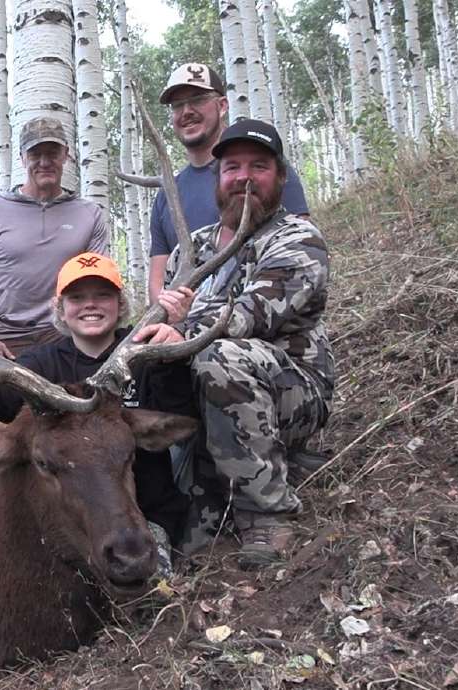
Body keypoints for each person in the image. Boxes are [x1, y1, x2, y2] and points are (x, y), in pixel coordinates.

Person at [136, 119, 334, 569]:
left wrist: (183, 330)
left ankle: (267, 513)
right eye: (232, 167)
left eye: (258, 166)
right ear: (218, 178)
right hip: (206, 396)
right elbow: (165, 318)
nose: (244, 177)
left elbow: (251, 314)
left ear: (280, 177)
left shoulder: (298, 239)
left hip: (290, 394)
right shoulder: (194, 249)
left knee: (220, 356)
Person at [0, 252, 192, 577]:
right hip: (73, 521)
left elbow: (177, 412)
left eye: (103, 295)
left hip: (147, 516)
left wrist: (172, 356)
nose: (90, 305)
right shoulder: (41, 365)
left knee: (148, 592)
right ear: (61, 309)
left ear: (120, 305)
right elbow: (2, 402)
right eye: (76, 298)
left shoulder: (145, 348)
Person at [148, 62, 310, 304]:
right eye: (178, 105)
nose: (187, 111)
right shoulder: (167, 195)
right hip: (184, 324)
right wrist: (171, 317)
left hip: (262, 320)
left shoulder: (265, 176)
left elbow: (300, 251)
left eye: (198, 99)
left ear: (222, 105)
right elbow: (158, 285)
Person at [0, 116, 108, 355]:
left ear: (66, 155)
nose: (44, 162)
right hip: (1, 335)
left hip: (62, 335)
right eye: (35, 154)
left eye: (53, 153)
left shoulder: (89, 214)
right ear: (22, 158)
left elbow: (98, 281)